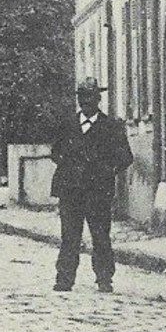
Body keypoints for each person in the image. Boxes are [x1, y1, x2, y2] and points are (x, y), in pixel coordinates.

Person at [51, 76, 136, 293]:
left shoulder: (111, 127)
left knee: (100, 236)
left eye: (90, 96)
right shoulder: (67, 125)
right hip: (70, 190)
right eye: (82, 96)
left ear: (98, 98)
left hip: (97, 192)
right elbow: (55, 152)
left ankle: (104, 278)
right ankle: (64, 278)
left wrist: (106, 171)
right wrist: (68, 166)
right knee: (70, 236)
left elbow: (126, 157)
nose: (85, 101)